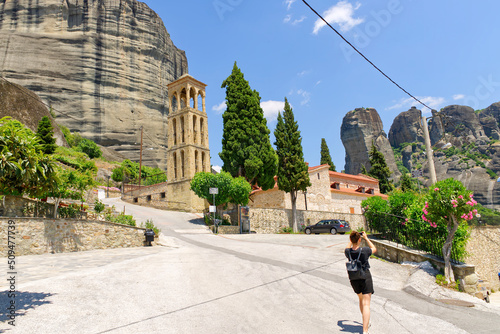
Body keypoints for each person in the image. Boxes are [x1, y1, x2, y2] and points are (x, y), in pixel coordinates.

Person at [345, 231, 377, 334]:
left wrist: (351, 240)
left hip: (354, 278)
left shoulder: (348, 252)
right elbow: (374, 249)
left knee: (361, 300)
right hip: (365, 277)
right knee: (366, 304)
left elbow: (347, 247)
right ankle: (365, 330)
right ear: (360, 240)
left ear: (351, 240)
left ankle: (365, 322)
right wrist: (366, 238)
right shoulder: (364, 250)